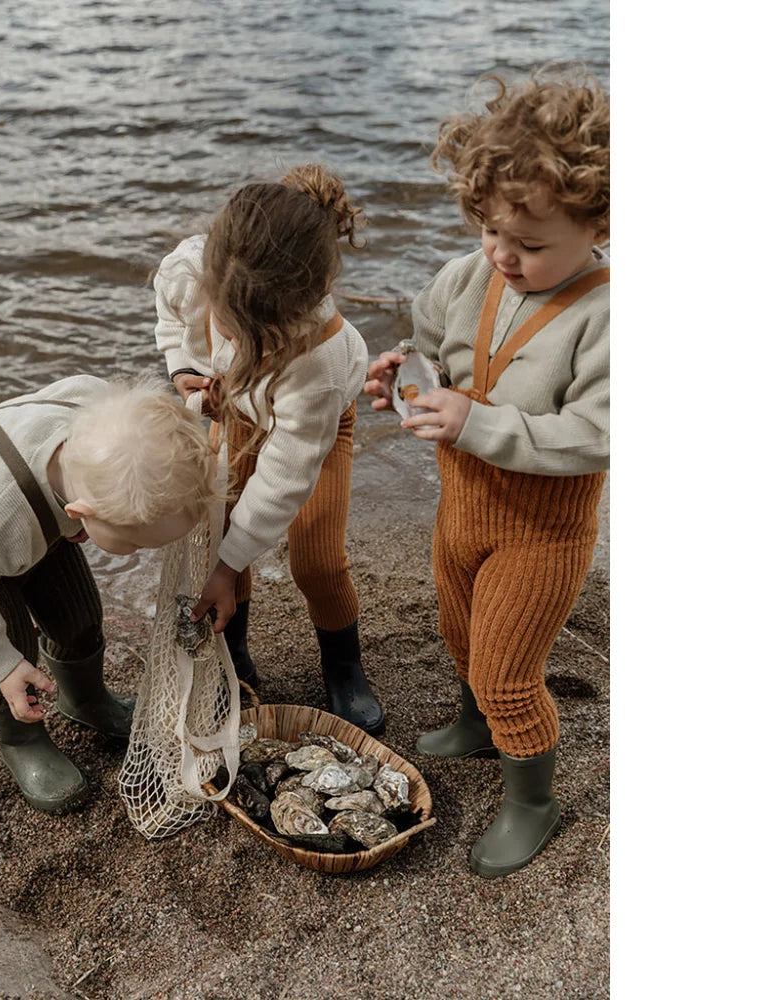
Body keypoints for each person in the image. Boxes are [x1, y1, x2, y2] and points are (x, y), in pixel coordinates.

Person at [365, 72, 609, 876]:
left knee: (509, 672)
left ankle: (531, 800)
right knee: (460, 628)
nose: (505, 255)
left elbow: (596, 434)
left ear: (599, 221)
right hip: (461, 507)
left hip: (541, 530)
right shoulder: (470, 274)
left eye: (532, 245)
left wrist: (479, 422)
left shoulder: (608, 316)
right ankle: (473, 719)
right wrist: (404, 371)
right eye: (490, 231)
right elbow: (433, 343)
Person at [153, 163, 385, 735]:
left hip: (315, 432)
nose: (226, 338)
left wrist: (229, 566)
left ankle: (343, 665)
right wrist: (186, 369)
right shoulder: (190, 269)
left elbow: (286, 474)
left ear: (291, 313)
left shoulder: (321, 361)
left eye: (240, 335)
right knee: (222, 528)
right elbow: (171, 320)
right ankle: (235, 658)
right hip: (234, 412)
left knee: (318, 559)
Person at [0, 374, 217, 812]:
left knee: (78, 616)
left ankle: (85, 699)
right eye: (134, 544)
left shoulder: (96, 412)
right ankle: (20, 738)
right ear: (81, 513)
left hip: (36, 518)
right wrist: (1, 662)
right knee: (11, 645)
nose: (139, 552)